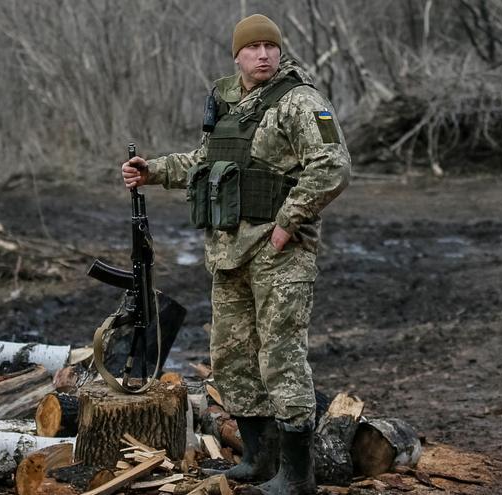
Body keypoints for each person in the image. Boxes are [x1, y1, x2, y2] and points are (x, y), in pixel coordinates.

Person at [122, 13, 351, 495]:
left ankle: (297, 475)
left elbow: (332, 166)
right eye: (253, 48)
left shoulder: (299, 101)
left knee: (281, 359)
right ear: (238, 55)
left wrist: (287, 224)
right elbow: (203, 164)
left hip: (279, 252)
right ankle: (260, 460)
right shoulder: (228, 103)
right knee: (231, 358)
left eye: (271, 46)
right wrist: (153, 170)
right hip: (228, 251)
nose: (263, 54)